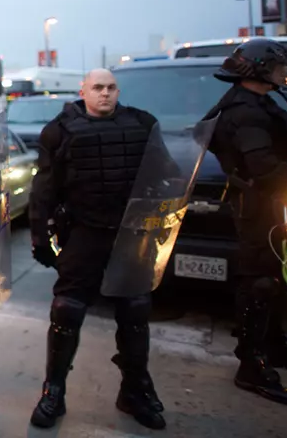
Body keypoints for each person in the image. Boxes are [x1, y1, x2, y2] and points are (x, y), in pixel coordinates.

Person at [28, 68, 168, 431]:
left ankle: (135, 389)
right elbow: (44, 188)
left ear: (118, 90)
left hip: (131, 233)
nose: (104, 94)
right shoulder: (60, 130)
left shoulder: (142, 124)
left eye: (110, 88)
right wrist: (39, 236)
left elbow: (164, 172)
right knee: (66, 311)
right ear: (83, 91)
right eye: (97, 88)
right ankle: (53, 390)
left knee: (135, 312)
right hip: (84, 232)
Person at [202, 39, 287, 405]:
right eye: (277, 67)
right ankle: (251, 365)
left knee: (274, 274)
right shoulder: (244, 111)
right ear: (257, 69)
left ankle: (271, 345)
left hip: (267, 205)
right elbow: (264, 168)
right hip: (259, 206)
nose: (283, 74)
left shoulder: (258, 102)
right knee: (260, 281)